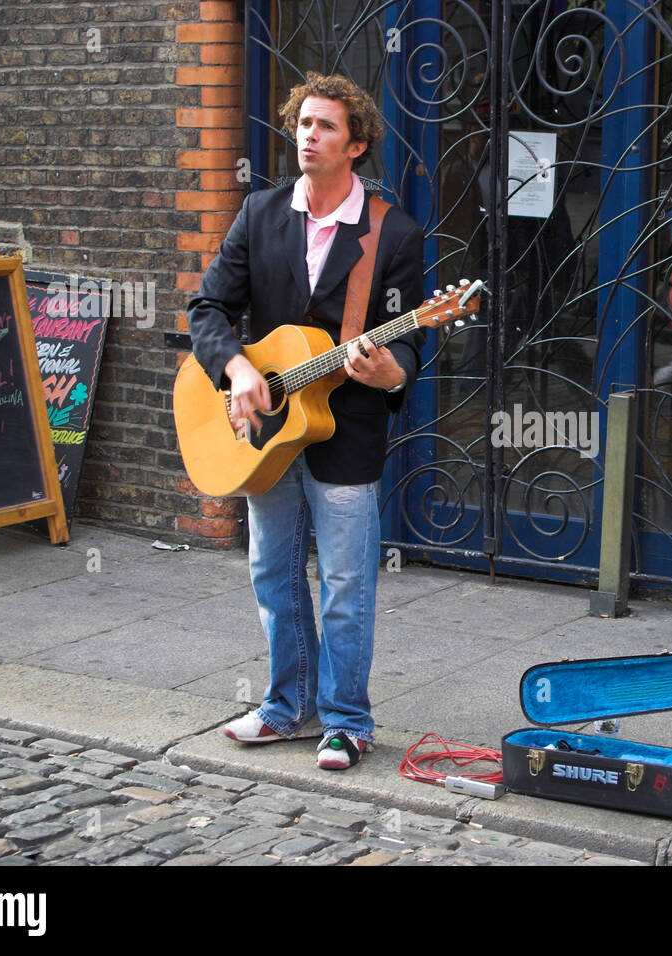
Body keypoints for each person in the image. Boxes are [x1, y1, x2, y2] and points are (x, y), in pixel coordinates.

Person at [186, 73, 426, 770]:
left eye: (325, 127)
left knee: (347, 584)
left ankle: (348, 721)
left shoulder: (392, 232)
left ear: (355, 145)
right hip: (268, 428)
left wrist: (394, 369)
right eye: (304, 124)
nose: (309, 136)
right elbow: (208, 309)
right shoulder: (260, 215)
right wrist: (236, 371)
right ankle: (288, 707)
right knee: (274, 573)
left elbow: (408, 334)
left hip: (345, 432)